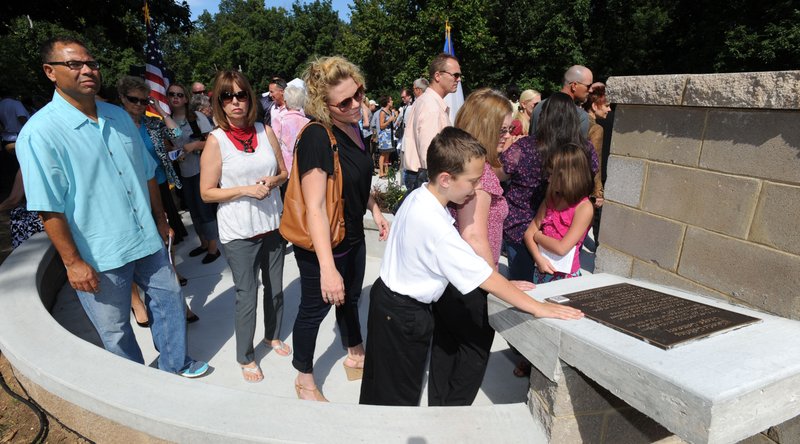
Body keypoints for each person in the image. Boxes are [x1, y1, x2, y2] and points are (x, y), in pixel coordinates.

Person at [16, 36, 208, 377]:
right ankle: (137, 386)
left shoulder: (118, 116)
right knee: (116, 329)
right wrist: (72, 263)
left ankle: (175, 366)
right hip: (98, 253)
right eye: (74, 64)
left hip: (146, 239)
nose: (88, 70)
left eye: (91, 63)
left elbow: (147, 173)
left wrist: (161, 219)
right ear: (50, 71)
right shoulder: (40, 133)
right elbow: (48, 206)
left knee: (169, 302)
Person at [359, 127, 583, 407]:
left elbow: (468, 264)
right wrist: (538, 307)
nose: (476, 187)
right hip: (404, 316)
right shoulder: (435, 226)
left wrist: (505, 283)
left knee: (380, 390)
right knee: (396, 402)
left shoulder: (420, 196)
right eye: (472, 181)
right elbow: (484, 276)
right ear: (445, 179)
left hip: (388, 305)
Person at [291, 56, 390, 402]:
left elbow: (356, 182)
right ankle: (304, 376)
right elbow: (315, 207)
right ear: (323, 105)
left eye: (358, 94)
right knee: (313, 310)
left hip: (352, 237)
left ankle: (355, 349)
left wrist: (375, 210)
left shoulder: (354, 127)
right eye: (344, 101)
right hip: (324, 248)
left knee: (351, 298)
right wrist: (327, 269)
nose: (356, 104)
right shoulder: (317, 137)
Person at [427, 88, 522, 406]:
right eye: (503, 129)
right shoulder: (480, 178)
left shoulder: (466, 170)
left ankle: (438, 422)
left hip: (453, 280)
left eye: (511, 129)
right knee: (470, 357)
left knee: (445, 351)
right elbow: (474, 236)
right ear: (485, 127)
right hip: (471, 283)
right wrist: (497, 283)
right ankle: (451, 426)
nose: (508, 136)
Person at [199, 70, 289, 383]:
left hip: (272, 224)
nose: (235, 101)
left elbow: (283, 171)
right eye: (227, 96)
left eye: (241, 95)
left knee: (275, 287)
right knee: (247, 293)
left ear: (250, 98)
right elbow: (207, 192)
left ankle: (272, 335)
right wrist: (246, 189)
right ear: (219, 101)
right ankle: (245, 355)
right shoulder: (216, 140)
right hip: (239, 231)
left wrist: (274, 180)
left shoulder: (265, 130)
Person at [498, 92, 599, 283]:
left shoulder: (525, 147)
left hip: (522, 225)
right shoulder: (585, 149)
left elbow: (500, 173)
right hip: (566, 229)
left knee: (522, 292)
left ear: (543, 118)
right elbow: (589, 178)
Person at [524, 142, 594, 284]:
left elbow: (562, 248)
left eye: (552, 175)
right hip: (542, 269)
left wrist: (537, 236)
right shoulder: (551, 199)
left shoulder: (584, 208)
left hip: (566, 277)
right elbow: (527, 234)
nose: (548, 179)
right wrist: (538, 258)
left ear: (568, 176)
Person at [168, 83, 220, 264]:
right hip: (184, 172)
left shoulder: (196, 117)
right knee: (194, 211)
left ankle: (213, 247)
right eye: (172, 94)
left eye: (180, 95)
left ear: (186, 98)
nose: (176, 98)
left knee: (204, 210)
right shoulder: (167, 121)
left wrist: (194, 145)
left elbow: (214, 142)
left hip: (201, 170)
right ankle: (204, 243)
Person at [403, 54, 461, 191]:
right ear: (437, 76)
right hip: (428, 178)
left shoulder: (426, 101)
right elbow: (430, 156)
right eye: (455, 75)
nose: (458, 79)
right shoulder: (432, 107)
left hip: (421, 176)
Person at [529, 65, 593, 137]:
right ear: (574, 86)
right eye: (588, 86)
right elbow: (579, 148)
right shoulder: (580, 116)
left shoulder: (539, 107)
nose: (591, 90)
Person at [583, 82, 611, 243]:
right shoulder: (596, 129)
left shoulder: (577, 120)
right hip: (584, 185)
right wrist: (598, 192)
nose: (609, 109)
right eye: (606, 105)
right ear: (594, 105)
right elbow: (596, 163)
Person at [0, 170, 43, 248]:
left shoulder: (27, 165)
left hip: (44, 219)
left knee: (17, 214)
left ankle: (23, 250)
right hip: (64, 213)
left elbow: (14, 200)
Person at [275, 85, 310, 181]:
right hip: (305, 169)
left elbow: (275, 146)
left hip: (286, 171)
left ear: (285, 102)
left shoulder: (278, 121)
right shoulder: (308, 123)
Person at [376, 95, 396, 178]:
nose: (392, 102)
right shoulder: (382, 112)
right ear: (387, 102)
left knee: (388, 154)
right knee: (383, 154)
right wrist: (389, 120)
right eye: (391, 100)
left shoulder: (390, 111)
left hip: (389, 135)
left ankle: (386, 171)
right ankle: (381, 172)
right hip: (384, 137)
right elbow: (381, 126)